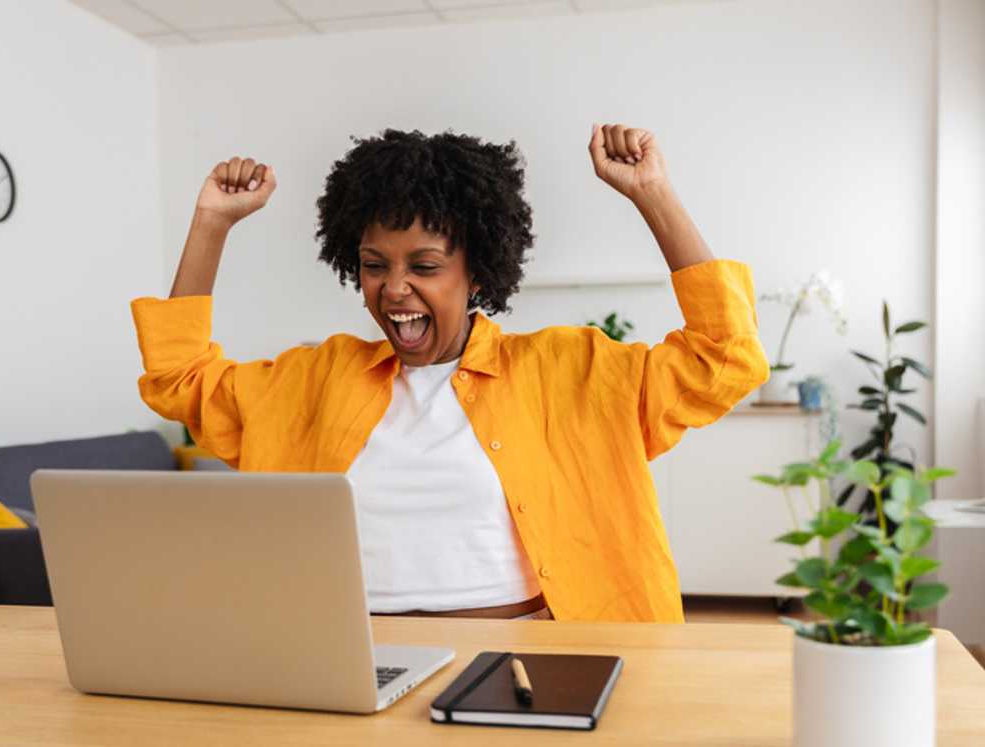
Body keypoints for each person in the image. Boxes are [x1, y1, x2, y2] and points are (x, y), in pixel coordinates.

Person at [131, 124, 770, 623]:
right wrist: (211, 223)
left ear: (478, 273)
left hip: (525, 656)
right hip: (349, 660)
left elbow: (724, 359)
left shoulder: (570, 372)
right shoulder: (314, 380)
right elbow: (180, 378)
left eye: (426, 266)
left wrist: (653, 195)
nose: (394, 289)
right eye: (374, 265)